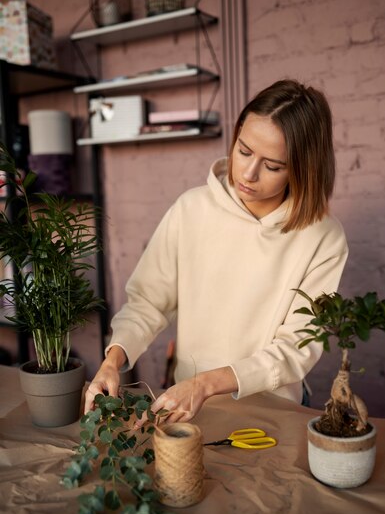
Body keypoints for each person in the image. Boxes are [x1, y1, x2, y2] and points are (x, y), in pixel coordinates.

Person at [85, 79, 348, 423]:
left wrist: (207, 384)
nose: (249, 174)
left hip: (275, 413)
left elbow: (297, 347)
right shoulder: (191, 209)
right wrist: (112, 360)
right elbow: (148, 301)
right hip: (187, 409)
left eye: (272, 166)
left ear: (303, 168)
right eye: (243, 150)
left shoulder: (323, 238)